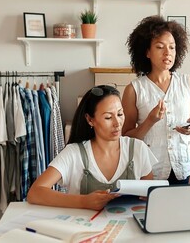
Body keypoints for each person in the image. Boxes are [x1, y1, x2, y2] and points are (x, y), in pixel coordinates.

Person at [27, 85, 157, 210]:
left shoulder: (138, 149)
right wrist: (83, 201)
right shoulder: (74, 153)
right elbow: (35, 193)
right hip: (82, 230)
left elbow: (149, 197)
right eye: (108, 117)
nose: (117, 123)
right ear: (90, 120)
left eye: (120, 114)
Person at [122, 15, 190, 185]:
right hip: (150, 172)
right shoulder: (134, 90)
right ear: (147, 52)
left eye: (172, 47)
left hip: (184, 170)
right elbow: (126, 137)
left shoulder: (189, 83)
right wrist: (150, 121)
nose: (168, 53)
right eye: (160, 47)